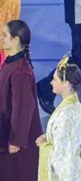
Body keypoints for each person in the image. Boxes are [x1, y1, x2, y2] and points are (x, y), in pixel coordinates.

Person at [0, 20, 42, 181]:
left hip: (17, 142)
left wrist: (16, 140)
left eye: (5, 35)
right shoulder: (10, 63)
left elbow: (23, 108)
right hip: (6, 131)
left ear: (15, 40)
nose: (1, 38)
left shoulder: (20, 71)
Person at [36, 56, 81, 181]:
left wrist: (44, 145)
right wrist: (49, 136)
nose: (51, 82)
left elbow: (61, 154)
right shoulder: (75, 105)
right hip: (73, 169)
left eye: (54, 79)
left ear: (66, 84)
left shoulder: (65, 114)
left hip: (63, 174)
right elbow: (65, 138)